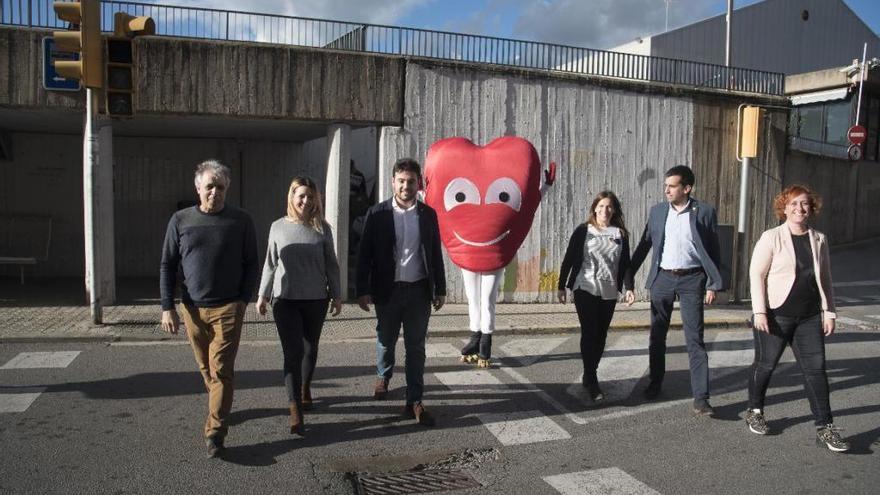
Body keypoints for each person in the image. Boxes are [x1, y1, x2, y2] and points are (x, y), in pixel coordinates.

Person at [159, 159, 258, 458]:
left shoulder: (241, 220)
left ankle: (215, 432)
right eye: (209, 187)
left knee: (222, 370)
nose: (215, 192)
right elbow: (168, 264)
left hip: (228, 308)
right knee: (206, 368)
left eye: (221, 187)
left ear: (228, 189)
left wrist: (242, 301)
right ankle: (219, 403)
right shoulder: (180, 220)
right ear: (198, 188)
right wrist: (168, 307)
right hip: (191, 309)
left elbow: (251, 262)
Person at [746, 185, 849, 452]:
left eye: (804, 204)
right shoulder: (771, 237)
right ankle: (755, 410)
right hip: (776, 315)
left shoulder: (819, 239)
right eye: (793, 204)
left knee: (816, 371)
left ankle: (825, 427)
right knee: (766, 365)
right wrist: (759, 311)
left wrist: (829, 312)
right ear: (784, 207)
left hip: (810, 316)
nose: (799, 208)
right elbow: (756, 274)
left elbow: (824, 279)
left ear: (811, 208)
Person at [356, 157, 446, 426]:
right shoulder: (378, 213)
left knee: (416, 347)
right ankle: (383, 374)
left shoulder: (428, 215)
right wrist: (362, 289)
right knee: (386, 338)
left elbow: (434, 253)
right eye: (401, 181)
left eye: (411, 181)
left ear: (419, 184)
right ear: (393, 182)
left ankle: (414, 399)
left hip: (419, 291)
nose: (406, 186)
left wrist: (440, 289)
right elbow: (364, 255)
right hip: (388, 290)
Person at [629, 165, 723, 416]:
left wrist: (713, 283)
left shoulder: (704, 211)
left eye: (672, 186)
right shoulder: (658, 211)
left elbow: (714, 250)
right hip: (663, 278)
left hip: (692, 280)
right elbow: (645, 244)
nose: (666, 190)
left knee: (695, 339)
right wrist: (628, 275)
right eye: (666, 185)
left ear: (687, 188)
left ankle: (701, 398)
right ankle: (655, 383)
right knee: (657, 335)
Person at [256, 176, 342, 436]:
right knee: (292, 352)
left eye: (310, 196)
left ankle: (305, 387)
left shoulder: (323, 228)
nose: (306, 201)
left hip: (316, 299)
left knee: (309, 349)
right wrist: (262, 295)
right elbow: (270, 263)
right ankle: (294, 406)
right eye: (301, 196)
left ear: (317, 199)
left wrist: (337, 295)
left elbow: (331, 264)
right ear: (292, 198)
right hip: (286, 300)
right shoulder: (278, 227)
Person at [558, 191, 636, 401]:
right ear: (594, 208)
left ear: (614, 210)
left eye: (609, 206)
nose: (604, 210)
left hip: (609, 290)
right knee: (590, 331)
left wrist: (629, 287)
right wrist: (561, 285)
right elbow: (569, 258)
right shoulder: (584, 230)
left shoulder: (620, 234)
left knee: (601, 335)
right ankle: (591, 378)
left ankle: (590, 371)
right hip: (585, 286)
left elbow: (625, 263)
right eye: (601, 206)